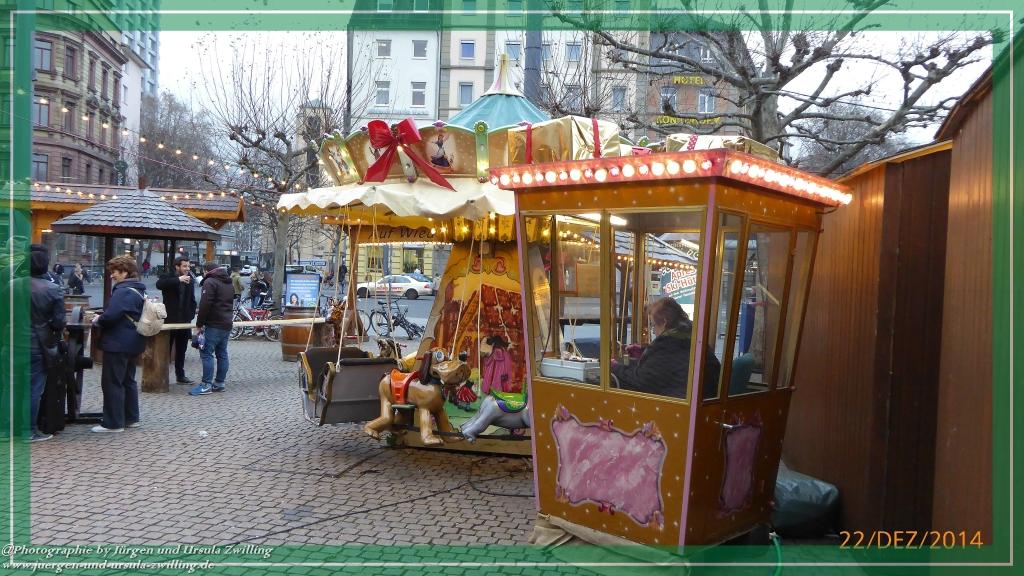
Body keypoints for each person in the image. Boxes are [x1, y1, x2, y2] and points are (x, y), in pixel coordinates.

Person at [91, 255, 146, 432]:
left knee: (112, 382)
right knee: (128, 380)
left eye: (114, 272)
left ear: (124, 272)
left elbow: (111, 316)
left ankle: (113, 423)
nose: (112, 275)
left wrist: (99, 319)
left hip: (118, 342)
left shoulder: (123, 291)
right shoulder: (137, 289)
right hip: (133, 342)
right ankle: (131, 418)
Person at [610, 297, 695, 399]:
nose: (654, 331)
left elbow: (640, 380)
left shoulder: (668, 344)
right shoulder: (690, 336)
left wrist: (614, 366)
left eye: (654, 325)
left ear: (664, 322)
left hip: (677, 405)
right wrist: (643, 352)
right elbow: (661, 366)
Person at [29, 245, 65, 442]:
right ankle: (29, 430)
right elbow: (59, 321)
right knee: (34, 389)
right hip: (37, 345)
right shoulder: (53, 289)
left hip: (11, 343)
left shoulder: (10, 284)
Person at [191, 262, 234, 396]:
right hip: (226, 323)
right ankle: (220, 383)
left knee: (206, 353)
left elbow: (205, 305)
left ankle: (206, 384)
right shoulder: (228, 282)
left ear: (207, 271)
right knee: (222, 353)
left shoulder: (210, 282)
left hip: (213, 324)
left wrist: (199, 324)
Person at [157, 256, 198, 385]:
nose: (187, 269)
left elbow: (192, 300)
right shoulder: (168, 277)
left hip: (184, 321)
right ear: (177, 267)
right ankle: (162, 376)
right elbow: (160, 284)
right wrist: (178, 280)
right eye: (184, 266)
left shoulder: (190, 281)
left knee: (181, 350)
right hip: (169, 320)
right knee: (165, 350)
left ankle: (180, 376)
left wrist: (190, 315)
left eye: (188, 266)